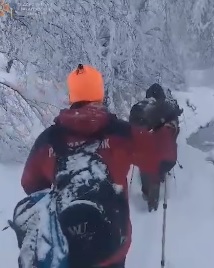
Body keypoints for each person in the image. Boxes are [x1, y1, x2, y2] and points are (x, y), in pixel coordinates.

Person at [11, 64, 176, 268]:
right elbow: (163, 158)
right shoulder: (119, 134)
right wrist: (167, 126)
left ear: (72, 95)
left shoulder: (49, 140)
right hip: (111, 249)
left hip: (66, 249)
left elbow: (30, 184)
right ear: (99, 93)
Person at [129, 83, 183, 211]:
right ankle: (158, 177)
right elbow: (175, 128)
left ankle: (147, 193)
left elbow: (131, 128)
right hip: (166, 156)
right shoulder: (168, 107)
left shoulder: (137, 108)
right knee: (159, 162)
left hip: (141, 154)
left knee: (146, 163)